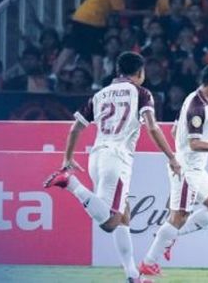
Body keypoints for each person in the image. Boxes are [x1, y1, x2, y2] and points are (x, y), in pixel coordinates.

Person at [43, 52, 181, 283]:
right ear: (140, 73)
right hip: (117, 158)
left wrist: (68, 157)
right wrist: (172, 157)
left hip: (97, 156)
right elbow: (152, 127)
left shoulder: (100, 95)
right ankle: (71, 183)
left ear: (118, 71)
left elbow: (76, 128)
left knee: (123, 214)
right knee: (110, 222)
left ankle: (132, 275)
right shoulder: (141, 93)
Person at [139, 64, 208, 277]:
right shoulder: (198, 108)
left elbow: (175, 129)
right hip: (187, 170)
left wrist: (182, 142)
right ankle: (148, 263)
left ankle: (169, 237)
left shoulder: (194, 99)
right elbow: (194, 144)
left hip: (196, 168)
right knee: (179, 216)